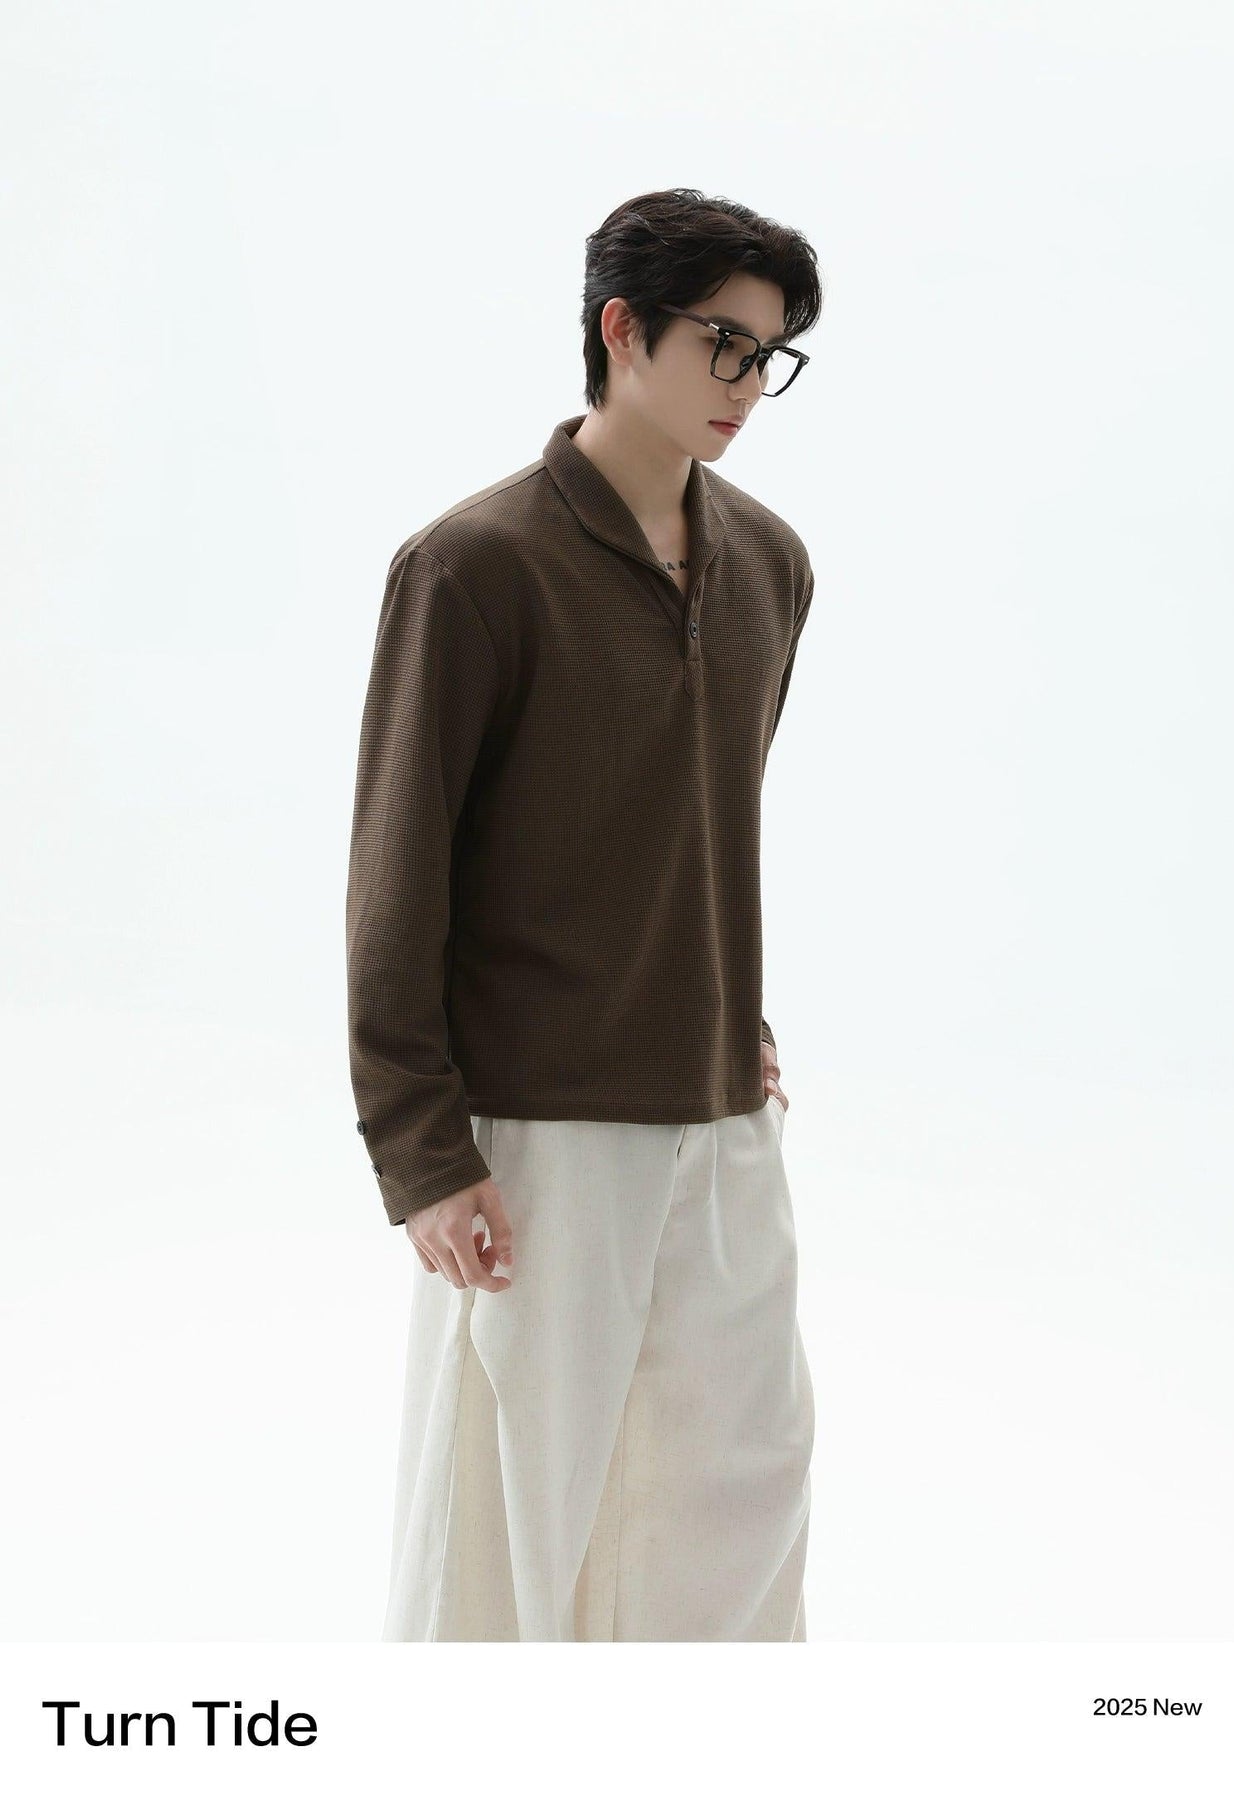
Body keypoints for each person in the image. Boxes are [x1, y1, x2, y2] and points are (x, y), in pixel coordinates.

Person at [345, 185, 823, 1641]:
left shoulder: (771, 565)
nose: (747, 382)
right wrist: (422, 1150)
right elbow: (398, 873)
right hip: (536, 1125)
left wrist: (732, 1015)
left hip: (719, 1107)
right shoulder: (472, 566)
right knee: (513, 1506)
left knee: (738, 1492)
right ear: (622, 329)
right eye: (724, 343)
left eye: (771, 355)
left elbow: (693, 825)